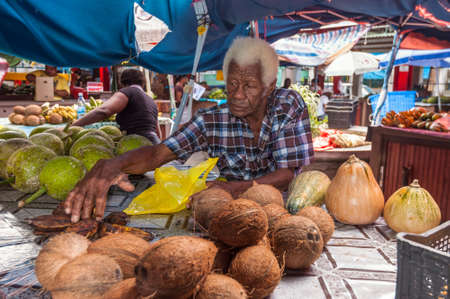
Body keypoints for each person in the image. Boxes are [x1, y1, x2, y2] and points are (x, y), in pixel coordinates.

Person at [65, 37, 314, 223]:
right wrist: (114, 165)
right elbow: (157, 155)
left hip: (284, 212)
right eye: (233, 84)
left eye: (249, 85)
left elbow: (287, 173)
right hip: (232, 213)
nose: (237, 94)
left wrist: (234, 188)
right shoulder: (211, 121)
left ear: (269, 86)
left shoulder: (286, 105)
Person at [72, 69, 160, 144]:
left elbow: (103, 111)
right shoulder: (150, 100)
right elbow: (158, 132)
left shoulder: (128, 92)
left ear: (121, 83)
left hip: (137, 144)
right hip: (154, 144)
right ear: (143, 83)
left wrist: (75, 125)